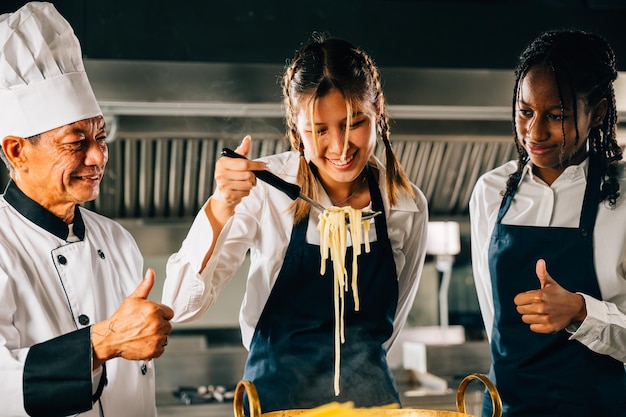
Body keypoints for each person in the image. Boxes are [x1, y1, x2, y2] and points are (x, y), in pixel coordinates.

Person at [163, 35, 428, 412]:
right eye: (319, 130)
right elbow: (179, 306)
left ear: (378, 109)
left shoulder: (406, 203)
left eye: (354, 123)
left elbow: (393, 323)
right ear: (295, 126)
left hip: (371, 403)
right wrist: (222, 204)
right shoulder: (265, 189)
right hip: (276, 401)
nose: (339, 147)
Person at [0, 3, 174, 416]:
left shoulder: (117, 240)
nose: (98, 156)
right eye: (76, 140)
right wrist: (104, 342)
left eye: (100, 134)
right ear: (17, 150)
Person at [469, 29, 626, 416]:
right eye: (525, 111)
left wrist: (580, 311)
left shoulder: (623, 198)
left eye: (557, 115)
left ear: (600, 112)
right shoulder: (491, 192)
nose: (535, 133)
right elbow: (495, 324)